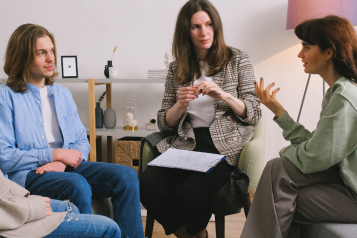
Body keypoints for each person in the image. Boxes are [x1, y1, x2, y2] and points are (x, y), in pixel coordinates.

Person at [0, 24, 144, 238]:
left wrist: (62, 162)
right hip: (29, 175)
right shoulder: (6, 96)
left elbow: (80, 142)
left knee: (127, 175)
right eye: (41, 53)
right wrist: (53, 154)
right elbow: (5, 157)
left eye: (52, 51)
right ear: (22, 57)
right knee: (77, 184)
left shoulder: (62, 94)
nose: (51, 58)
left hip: (65, 166)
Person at [139, 0, 261, 237]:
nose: (204, 32)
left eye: (208, 24)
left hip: (224, 145)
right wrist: (180, 103)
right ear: (186, 31)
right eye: (196, 27)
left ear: (216, 26)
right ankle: (195, 235)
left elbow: (254, 112)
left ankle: (193, 233)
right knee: (148, 183)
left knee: (192, 192)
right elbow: (164, 123)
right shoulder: (177, 69)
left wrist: (224, 96)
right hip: (187, 142)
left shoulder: (238, 59)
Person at [241, 15, 357, 238]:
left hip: (352, 193)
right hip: (344, 182)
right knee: (282, 191)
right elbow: (319, 147)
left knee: (279, 174)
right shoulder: (338, 91)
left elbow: (317, 156)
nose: (299, 54)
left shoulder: (345, 96)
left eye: (306, 46)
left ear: (329, 52)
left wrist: (286, 152)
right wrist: (278, 111)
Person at [0, 170, 121, 238]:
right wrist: (32, 207)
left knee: (71, 208)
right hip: (8, 219)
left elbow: (81, 142)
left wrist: (22, 196)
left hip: (9, 199)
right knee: (110, 228)